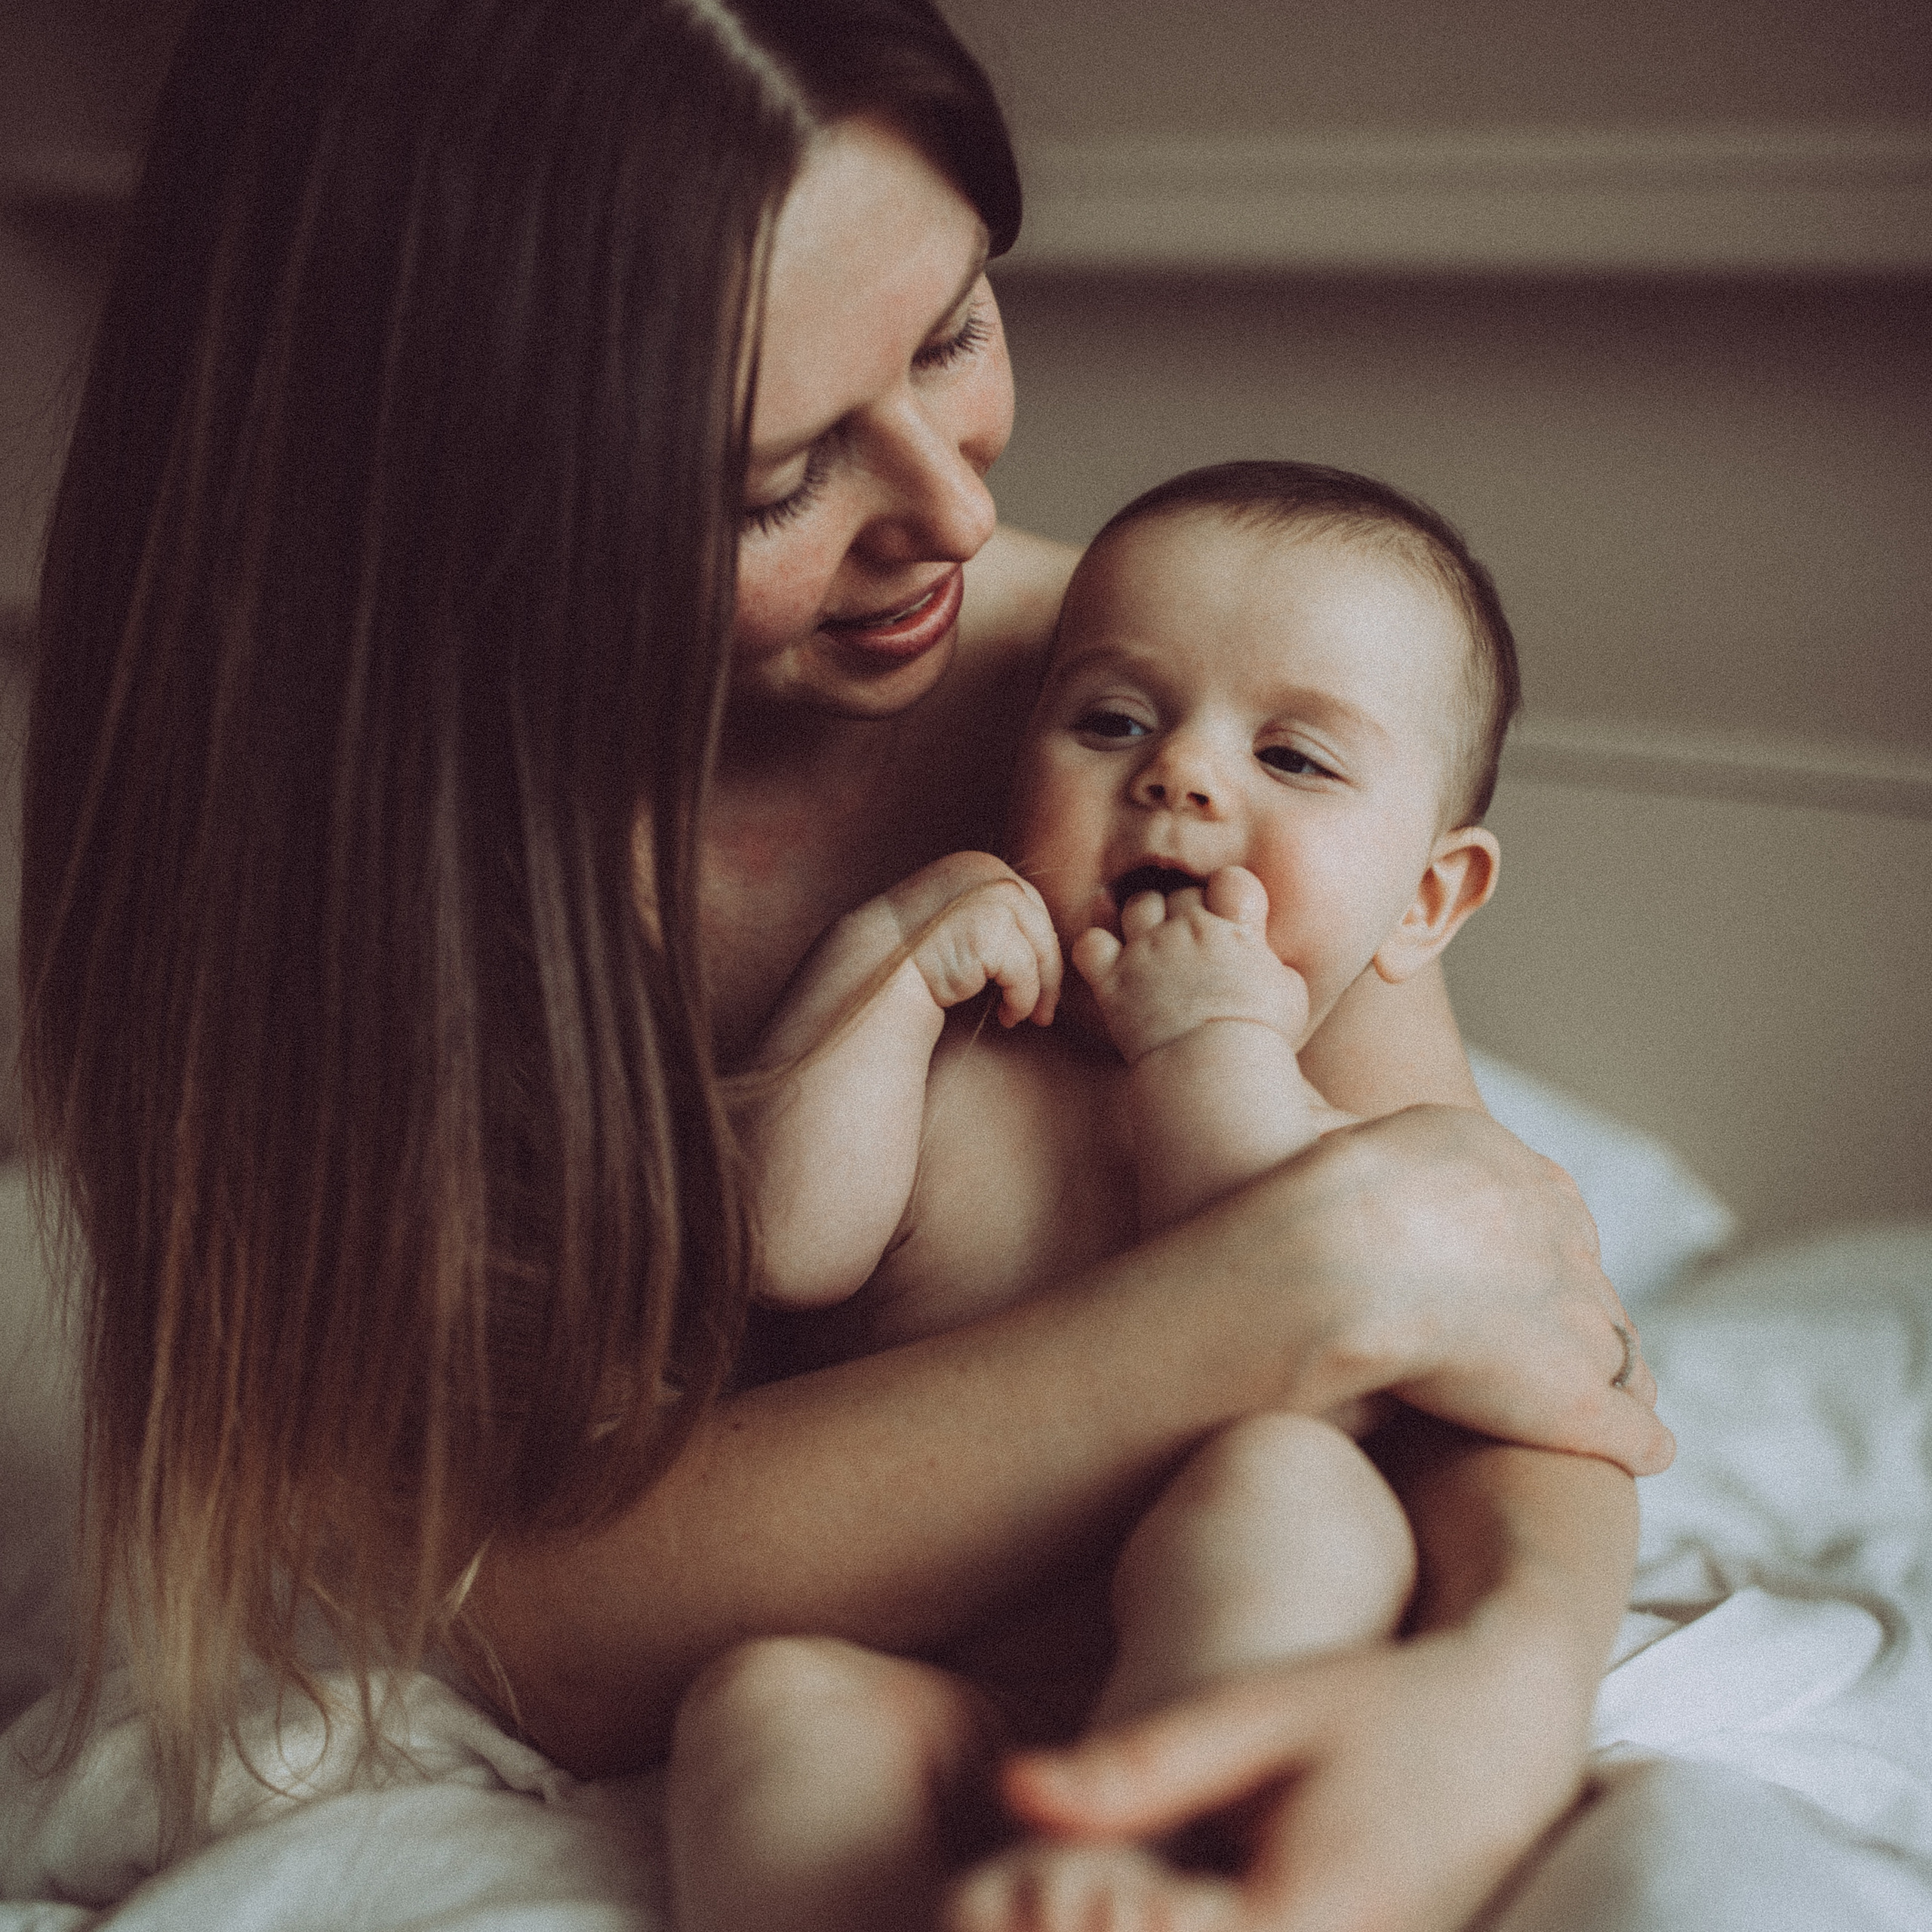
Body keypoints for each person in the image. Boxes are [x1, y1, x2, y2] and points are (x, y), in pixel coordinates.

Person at [18, 2, 1669, 1925]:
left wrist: (1504, 1676)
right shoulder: (330, 900)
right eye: (775, 479)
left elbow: (1499, 1299)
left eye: (954, 330)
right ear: (452, 508)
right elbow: (528, 1615)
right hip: (836, 1681)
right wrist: (1283, 1284)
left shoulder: (1161, 691)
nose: (957, 513)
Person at [664, 458, 1525, 1931]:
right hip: (929, 1669)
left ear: (1426, 901)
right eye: (1111, 720)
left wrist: (1211, 1044)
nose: (1180, 773)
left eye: (1294, 760)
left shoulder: (1336, 1146)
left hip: (1212, 1688)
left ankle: (1158, 1860)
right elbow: (782, 1250)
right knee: (765, 1702)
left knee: (1291, 1493)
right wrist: (872, 977)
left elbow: (1289, 1290)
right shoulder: (961, 1061)